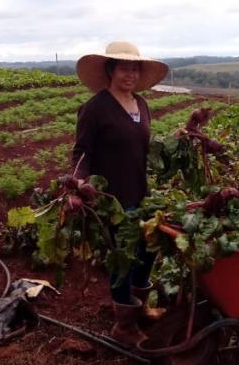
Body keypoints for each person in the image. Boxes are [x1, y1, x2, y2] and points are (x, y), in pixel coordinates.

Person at [72, 41, 169, 345]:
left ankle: (138, 309)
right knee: (122, 259)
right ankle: (123, 326)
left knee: (147, 253)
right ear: (111, 70)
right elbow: (81, 152)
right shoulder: (95, 108)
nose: (130, 74)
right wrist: (78, 183)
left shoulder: (141, 104)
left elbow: (143, 147)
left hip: (140, 193)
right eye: (124, 67)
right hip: (112, 198)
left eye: (135, 68)